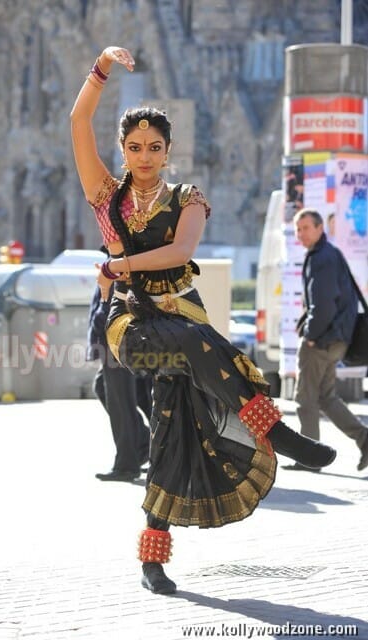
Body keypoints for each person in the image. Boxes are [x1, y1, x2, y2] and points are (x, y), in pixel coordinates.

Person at [70, 46, 336, 596]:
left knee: (173, 434)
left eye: (155, 147)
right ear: (123, 150)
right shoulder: (106, 197)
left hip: (186, 322)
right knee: (194, 344)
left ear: (168, 153)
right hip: (133, 326)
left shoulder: (189, 198)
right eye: (135, 146)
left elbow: (178, 254)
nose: (144, 155)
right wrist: (100, 68)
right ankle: (275, 430)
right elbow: (78, 121)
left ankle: (152, 559)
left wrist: (121, 263)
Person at [290, 208, 368, 473]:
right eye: (297, 229)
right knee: (327, 398)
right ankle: (365, 439)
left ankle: (310, 458)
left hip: (322, 340)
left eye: (305, 228)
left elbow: (323, 304)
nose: (300, 234)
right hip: (338, 339)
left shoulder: (321, 258)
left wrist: (310, 335)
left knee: (305, 399)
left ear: (320, 228)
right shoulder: (329, 254)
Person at [87, 281, 151, 482]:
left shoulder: (119, 261)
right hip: (121, 339)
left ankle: (126, 464)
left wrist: (100, 324)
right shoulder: (116, 260)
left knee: (121, 403)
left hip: (117, 340)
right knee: (103, 388)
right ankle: (141, 444)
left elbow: (113, 301)